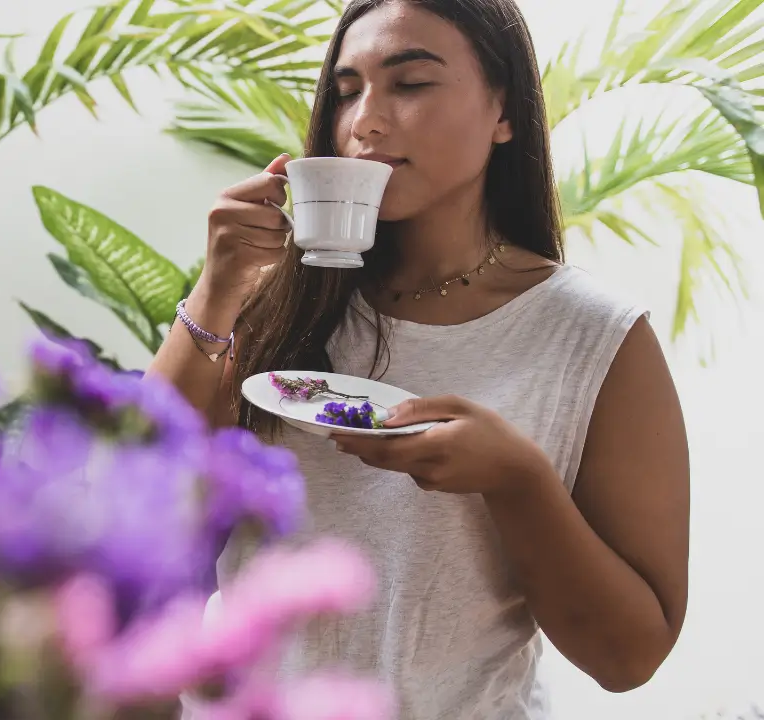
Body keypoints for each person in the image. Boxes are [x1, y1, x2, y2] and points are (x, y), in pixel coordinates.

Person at [146, 0, 690, 717]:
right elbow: (141, 489)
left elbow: (627, 658)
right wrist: (214, 293)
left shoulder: (596, 339)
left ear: (506, 114)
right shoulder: (272, 302)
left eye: (409, 83)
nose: (363, 121)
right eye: (346, 90)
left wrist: (518, 481)